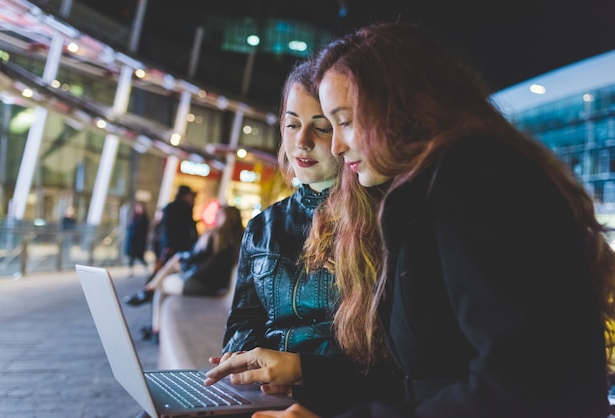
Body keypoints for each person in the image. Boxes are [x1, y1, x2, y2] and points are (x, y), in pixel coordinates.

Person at [204, 22, 615, 418]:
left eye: (342, 121)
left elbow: (525, 387)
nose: (339, 143)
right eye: (296, 124)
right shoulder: (435, 189)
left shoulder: (474, 180)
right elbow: (428, 382)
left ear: (399, 108)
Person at [210, 60, 403, 417]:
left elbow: (392, 359)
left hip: (343, 399)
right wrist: (253, 362)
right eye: (293, 124)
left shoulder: (382, 220)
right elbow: (242, 322)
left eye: (322, 128)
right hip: (267, 392)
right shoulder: (262, 226)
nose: (302, 141)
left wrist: (300, 370)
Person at [126, 205, 244, 343]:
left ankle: (151, 309)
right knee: (162, 286)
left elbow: (203, 261)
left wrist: (185, 265)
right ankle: (155, 326)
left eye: (219, 215)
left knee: (160, 286)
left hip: (198, 284)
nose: (216, 217)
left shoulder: (219, 236)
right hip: (206, 284)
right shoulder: (235, 238)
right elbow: (207, 261)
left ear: (227, 218)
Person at [123, 184, 198, 304]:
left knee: (160, 274)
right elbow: (176, 231)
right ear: (186, 195)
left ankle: (146, 292)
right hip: (174, 249)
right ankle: (147, 292)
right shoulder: (180, 208)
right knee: (161, 273)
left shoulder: (173, 207)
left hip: (172, 249)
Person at [125, 201, 150, 276]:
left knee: (140, 257)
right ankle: (130, 271)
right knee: (131, 257)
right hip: (132, 241)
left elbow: (144, 231)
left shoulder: (144, 218)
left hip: (139, 241)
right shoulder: (134, 217)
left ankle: (146, 268)